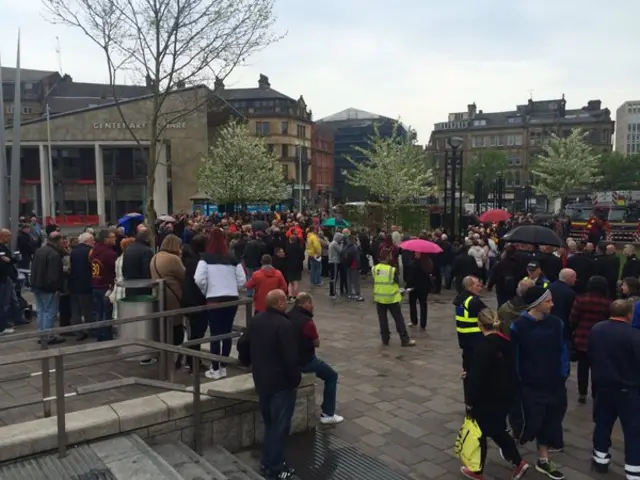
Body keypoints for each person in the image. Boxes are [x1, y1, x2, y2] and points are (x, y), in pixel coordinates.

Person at [237, 289, 299, 480]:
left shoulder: (256, 320)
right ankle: (274, 467)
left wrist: (246, 360)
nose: (287, 303)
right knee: (279, 427)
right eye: (285, 300)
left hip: (262, 381)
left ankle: (269, 461)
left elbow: (242, 343)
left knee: (271, 424)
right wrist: (295, 378)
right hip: (281, 384)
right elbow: (291, 357)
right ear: (279, 303)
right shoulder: (285, 325)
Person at [461, 308, 529, 480]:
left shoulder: (482, 346)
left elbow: (478, 376)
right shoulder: (506, 341)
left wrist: (470, 399)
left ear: (479, 324)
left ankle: (478, 470)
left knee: (482, 431)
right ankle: (515, 462)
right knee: (494, 429)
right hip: (506, 393)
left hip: (487, 396)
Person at [510, 286, 568, 480]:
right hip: (530, 385)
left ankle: (544, 460)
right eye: (548, 301)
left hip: (554, 384)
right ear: (536, 304)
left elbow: (563, 350)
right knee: (530, 423)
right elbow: (514, 357)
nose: (552, 304)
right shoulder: (518, 326)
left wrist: (562, 374)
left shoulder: (556, 323)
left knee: (550, 422)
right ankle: (510, 444)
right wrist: (518, 381)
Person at [589, 299, 640, 475]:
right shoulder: (634, 335)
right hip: (629, 390)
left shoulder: (597, 329)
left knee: (602, 424)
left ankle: (600, 460)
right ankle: (633, 470)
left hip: (603, 387)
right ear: (629, 314)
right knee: (633, 431)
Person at [194, 228, 246, 380]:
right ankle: (223, 366)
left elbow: (198, 279)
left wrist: (207, 290)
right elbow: (242, 280)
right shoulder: (232, 258)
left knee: (215, 334)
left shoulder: (205, 259)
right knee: (227, 332)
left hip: (214, 298)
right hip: (231, 298)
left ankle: (215, 367)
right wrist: (232, 286)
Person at [288, 292, 344, 425]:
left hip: (289, 358)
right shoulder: (307, 322)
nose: (313, 306)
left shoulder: (288, 315)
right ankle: (328, 413)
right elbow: (316, 343)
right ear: (306, 304)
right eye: (311, 304)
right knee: (331, 376)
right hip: (305, 360)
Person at [569, 275, 612, 404]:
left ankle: (582, 392)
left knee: (582, 367)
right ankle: (595, 392)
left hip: (582, 336)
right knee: (597, 368)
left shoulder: (581, 299)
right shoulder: (608, 303)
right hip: (600, 338)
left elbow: (573, 318)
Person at [150, 234, 186, 364]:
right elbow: (184, 275)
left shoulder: (155, 256)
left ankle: (164, 354)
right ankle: (176, 355)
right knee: (176, 325)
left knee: (164, 325)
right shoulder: (173, 259)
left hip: (160, 295)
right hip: (173, 296)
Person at [372, 248, 415, 347]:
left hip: (379, 298)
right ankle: (404, 340)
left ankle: (385, 339)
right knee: (398, 319)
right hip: (392, 298)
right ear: (387, 257)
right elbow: (396, 283)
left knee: (382, 320)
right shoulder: (392, 270)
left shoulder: (375, 269)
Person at [454, 275, 487, 401]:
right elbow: (488, 316)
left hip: (465, 341)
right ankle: (477, 399)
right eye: (477, 285)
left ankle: (469, 400)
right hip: (476, 341)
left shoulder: (460, 299)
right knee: (477, 372)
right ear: (469, 287)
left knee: (467, 371)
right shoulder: (473, 301)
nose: (480, 288)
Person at [30, 231, 66, 344]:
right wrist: (56, 288)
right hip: (48, 288)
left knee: (41, 311)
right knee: (49, 312)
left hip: (37, 285)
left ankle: (41, 335)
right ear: (58, 240)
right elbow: (53, 275)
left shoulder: (39, 251)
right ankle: (48, 336)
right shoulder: (54, 254)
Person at [181, 234, 208, 373]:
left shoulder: (190, 260)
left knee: (194, 332)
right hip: (197, 301)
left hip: (189, 300)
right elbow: (199, 282)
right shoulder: (198, 262)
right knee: (197, 332)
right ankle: (194, 362)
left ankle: (192, 360)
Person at [89, 229, 118, 342]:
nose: (115, 239)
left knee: (99, 311)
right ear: (106, 239)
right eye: (112, 237)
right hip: (106, 285)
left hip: (95, 284)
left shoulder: (93, 251)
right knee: (107, 312)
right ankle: (106, 336)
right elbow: (113, 269)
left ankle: (99, 334)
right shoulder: (109, 254)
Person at [68, 232, 95, 341]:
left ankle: (78, 331)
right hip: (86, 284)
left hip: (74, 284)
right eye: (92, 240)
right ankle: (90, 330)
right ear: (87, 241)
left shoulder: (73, 251)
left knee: (76, 310)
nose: (94, 242)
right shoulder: (90, 251)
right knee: (88, 309)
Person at [122, 229, 154, 297]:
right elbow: (147, 272)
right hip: (142, 290)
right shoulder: (147, 251)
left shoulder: (128, 249)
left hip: (129, 287)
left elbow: (124, 270)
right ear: (147, 239)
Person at [0, 228, 19, 334]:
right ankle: (2, 327)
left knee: (8, 301)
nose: (10, 237)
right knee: (3, 303)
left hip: (7, 279)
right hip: (3, 280)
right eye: (8, 235)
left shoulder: (4, 247)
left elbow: (11, 259)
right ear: (2, 236)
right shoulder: (1, 249)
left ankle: (6, 323)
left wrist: (10, 260)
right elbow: (3, 263)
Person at [406, 251, 432, 330]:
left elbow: (411, 277)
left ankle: (414, 321)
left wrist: (407, 286)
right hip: (424, 287)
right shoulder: (428, 263)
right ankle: (423, 323)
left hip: (414, 288)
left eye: (417, 253)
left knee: (413, 304)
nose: (415, 254)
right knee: (423, 304)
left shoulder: (415, 264)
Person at [284, 234, 304, 301]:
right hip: (297, 266)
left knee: (290, 282)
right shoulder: (299, 247)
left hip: (289, 265)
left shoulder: (288, 247)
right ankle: (295, 296)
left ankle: (290, 295)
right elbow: (302, 257)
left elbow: (285, 256)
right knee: (296, 281)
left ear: (290, 240)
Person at [328, 232, 344, 299]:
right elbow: (340, 251)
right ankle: (333, 293)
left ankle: (331, 292)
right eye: (340, 238)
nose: (341, 240)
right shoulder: (335, 243)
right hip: (334, 262)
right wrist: (342, 244)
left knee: (332, 278)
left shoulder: (331, 243)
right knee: (334, 278)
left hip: (331, 261)